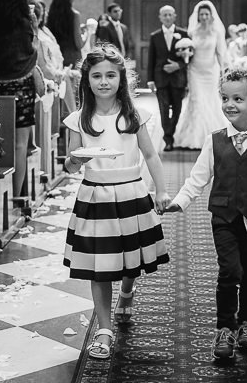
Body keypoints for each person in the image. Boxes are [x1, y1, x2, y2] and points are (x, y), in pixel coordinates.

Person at [164, 67, 247, 360]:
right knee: (229, 272)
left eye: (238, 98)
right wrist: (181, 201)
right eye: (225, 98)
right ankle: (225, 327)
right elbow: (198, 177)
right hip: (223, 218)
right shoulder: (215, 140)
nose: (229, 105)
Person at [62, 45, 170, 360]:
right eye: (97, 76)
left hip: (130, 193)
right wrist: (74, 160)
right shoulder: (78, 119)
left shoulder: (132, 114)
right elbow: (71, 165)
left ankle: (127, 290)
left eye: (111, 75)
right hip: (95, 196)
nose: (104, 82)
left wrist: (161, 191)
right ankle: (104, 329)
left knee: (128, 258)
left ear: (121, 79)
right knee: (100, 266)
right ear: (87, 79)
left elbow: (150, 155)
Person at [0, 0, 43, 196]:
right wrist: (34, 30)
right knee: (20, 144)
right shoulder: (23, 23)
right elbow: (32, 54)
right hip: (21, 86)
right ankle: (16, 195)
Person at [173, 0, 228, 149]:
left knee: (210, 100)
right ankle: (194, 138)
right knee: (196, 100)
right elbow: (189, 51)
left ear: (211, 16)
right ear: (198, 16)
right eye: (201, 14)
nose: (204, 17)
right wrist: (185, 53)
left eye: (206, 14)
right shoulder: (192, 32)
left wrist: (223, 71)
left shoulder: (216, 32)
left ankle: (213, 135)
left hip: (211, 71)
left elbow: (220, 53)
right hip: (195, 70)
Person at [147, 5, 189, 152]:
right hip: (161, 79)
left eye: (170, 14)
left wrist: (178, 65)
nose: (167, 17)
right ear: (160, 17)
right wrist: (150, 80)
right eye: (164, 15)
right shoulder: (155, 36)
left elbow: (190, 58)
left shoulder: (184, 34)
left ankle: (171, 131)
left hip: (178, 78)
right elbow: (151, 59)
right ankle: (168, 138)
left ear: (175, 16)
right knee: (164, 109)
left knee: (177, 109)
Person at [47, 0, 84, 68]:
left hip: (55, 56)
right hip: (72, 58)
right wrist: (87, 34)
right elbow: (79, 44)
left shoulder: (50, 15)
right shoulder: (74, 15)